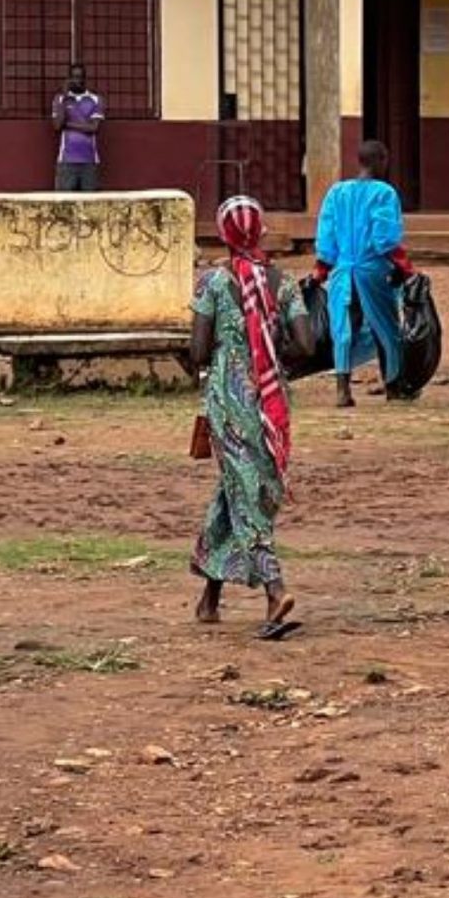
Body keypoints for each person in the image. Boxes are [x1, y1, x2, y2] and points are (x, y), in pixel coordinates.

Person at [189, 197, 302, 639]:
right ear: (261, 232)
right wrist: (269, 350)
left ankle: (275, 588)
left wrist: (228, 353)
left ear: (223, 235)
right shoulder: (284, 283)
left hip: (228, 401)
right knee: (244, 489)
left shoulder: (213, 284)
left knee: (241, 490)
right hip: (272, 402)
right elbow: (308, 343)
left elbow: (197, 350)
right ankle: (210, 598)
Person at [312, 140, 414, 408]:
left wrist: (323, 267)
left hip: (343, 271)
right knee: (386, 327)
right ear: (381, 160)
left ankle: (342, 390)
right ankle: (393, 385)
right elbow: (385, 238)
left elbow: (326, 235)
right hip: (373, 270)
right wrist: (405, 267)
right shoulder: (384, 193)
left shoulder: (337, 192)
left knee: (344, 329)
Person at [50, 65, 105, 191]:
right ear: (68, 79)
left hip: (90, 161)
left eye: (81, 77)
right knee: (64, 204)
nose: (78, 81)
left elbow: (93, 128)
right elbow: (58, 125)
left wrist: (68, 124)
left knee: (91, 205)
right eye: (74, 77)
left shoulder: (95, 100)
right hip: (66, 160)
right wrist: (64, 97)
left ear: (85, 79)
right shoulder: (59, 99)